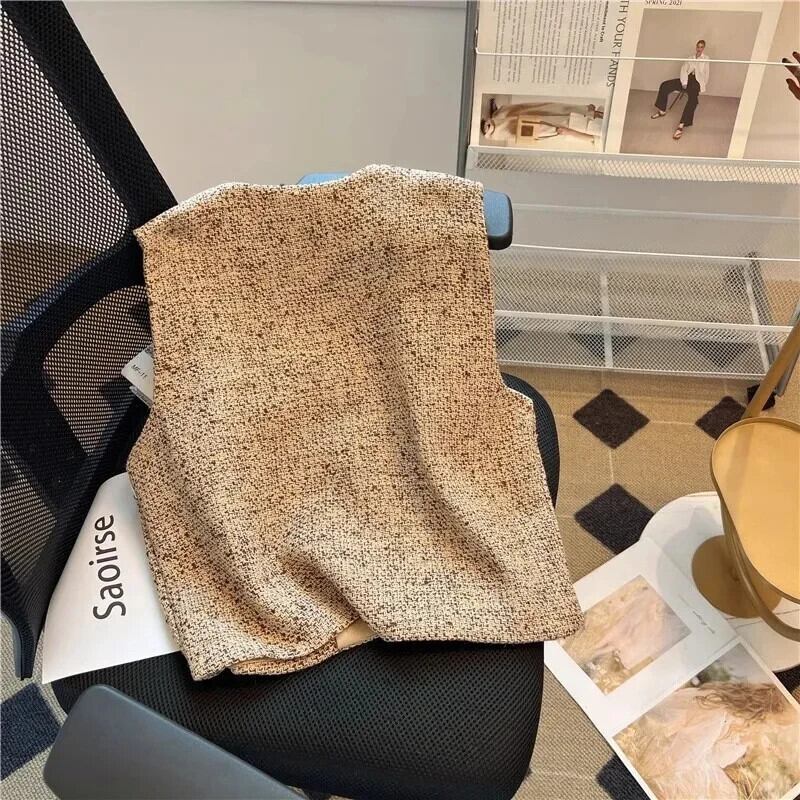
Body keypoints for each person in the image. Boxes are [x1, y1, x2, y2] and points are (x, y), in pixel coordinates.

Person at [651, 39, 710, 140]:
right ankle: (662, 110)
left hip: (697, 82)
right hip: (686, 79)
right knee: (665, 85)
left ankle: (681, 125)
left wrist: (701, 86)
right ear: (696, 47)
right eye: (698, 46)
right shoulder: (690, 58)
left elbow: (706, 74)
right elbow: (683, 70)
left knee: (693, 100)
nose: (699, 49)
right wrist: (684, 83)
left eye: (701, 47)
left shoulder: (706, 59)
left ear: (703, 48)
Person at [481, 99, 603, 145]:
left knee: (534, 125)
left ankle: (495, 129)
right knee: (541, 108)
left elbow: (595, 139)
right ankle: (501, 114)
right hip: (583, 113)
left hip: (574, 126)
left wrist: (569, 132)